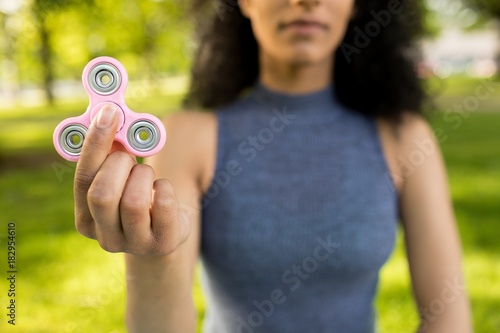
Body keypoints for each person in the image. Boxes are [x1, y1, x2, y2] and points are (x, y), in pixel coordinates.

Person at [73, 0, 472, 332]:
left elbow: (449, 317)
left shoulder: (404, 139)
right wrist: (148, 257)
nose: (307, 2)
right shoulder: (190, 138)